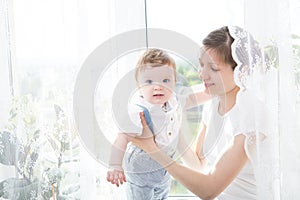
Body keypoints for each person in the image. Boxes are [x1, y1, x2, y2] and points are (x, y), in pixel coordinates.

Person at [132, 26, 276, 200]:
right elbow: (199, 165)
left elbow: (208, 190)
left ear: (241, 71)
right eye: (201, 65)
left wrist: (152, 150)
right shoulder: (213, 104)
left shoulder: (253, 115)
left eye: (213, 68)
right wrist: (170, 126)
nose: (202, 74)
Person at [106, 48, 210, 200]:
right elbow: (121, 138)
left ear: (174, 83)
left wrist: (212, 92)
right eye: (149, 81)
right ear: (139, 86)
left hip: (164, 167)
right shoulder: (138, 110)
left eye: (165, 80)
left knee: (162, 194)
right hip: (141, 170)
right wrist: (115, 165)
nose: (158, 86)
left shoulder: (172, 100)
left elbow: (191, 98)